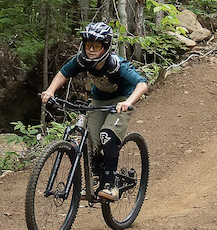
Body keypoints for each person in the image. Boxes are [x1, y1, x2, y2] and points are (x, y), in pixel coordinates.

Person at [39, 22, 148, 202]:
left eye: (96, 46)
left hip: (121, 100)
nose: (91, 50)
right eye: (89, 45)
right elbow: (63, 73)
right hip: (98, 101)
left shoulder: (117, 65)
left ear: (105, 47)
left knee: (107, 135)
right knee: (92, 139)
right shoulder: (82, 60)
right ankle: (95, 180)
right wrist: (50, 91)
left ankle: (111, 185)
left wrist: (127, 102)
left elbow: (142, 84)